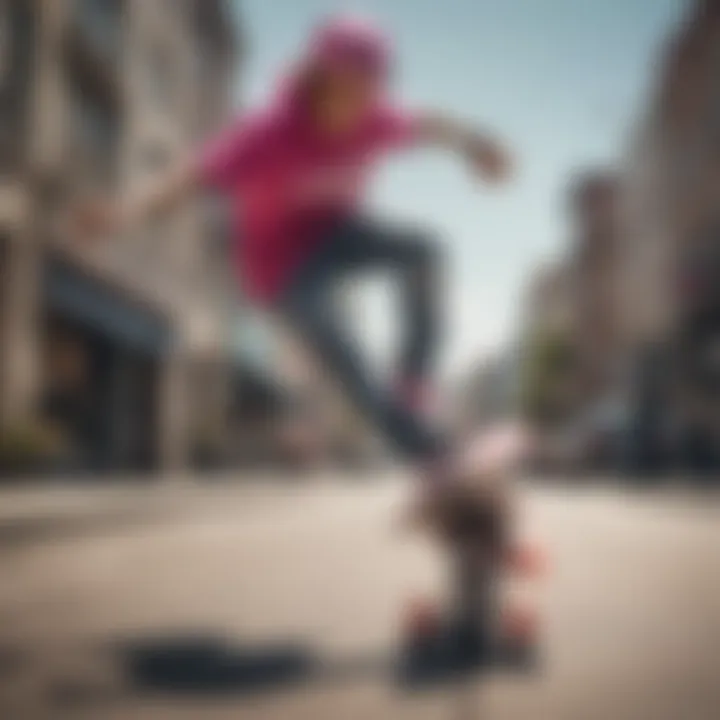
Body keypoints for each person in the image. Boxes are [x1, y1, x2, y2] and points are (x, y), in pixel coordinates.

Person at [78, 14, 513, 504]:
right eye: (344, 89)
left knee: (426, 251)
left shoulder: (377, 120)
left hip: (339, 234)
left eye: (366, 91)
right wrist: (123, 214)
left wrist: (480, 147)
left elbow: (433, 125)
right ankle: (431, 455)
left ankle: (412, 380)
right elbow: (190, 178)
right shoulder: (266, 133)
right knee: (340, 346)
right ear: (318, 77)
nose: (353, 106)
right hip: (282, 268)